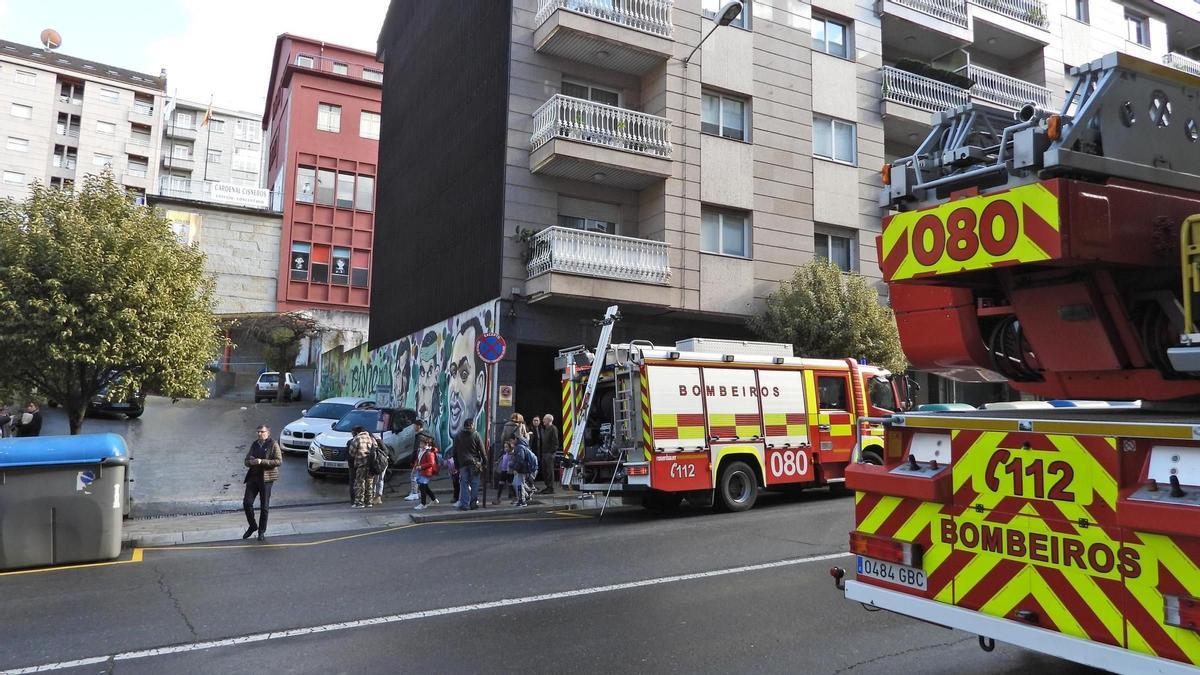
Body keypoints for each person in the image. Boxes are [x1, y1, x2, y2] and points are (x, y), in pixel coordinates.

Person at [243, 424, 282, 542]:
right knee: (247, 503)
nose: (259, 434)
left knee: (264, 506)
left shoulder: (273, 444)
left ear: (268, 433)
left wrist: (262, 461)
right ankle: (253, 526)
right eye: (258, 432)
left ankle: (261, 531)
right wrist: (251, 462)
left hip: (266, 479)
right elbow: (246, 461)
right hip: (253, 478)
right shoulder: (254, 444)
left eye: (262, 431)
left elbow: (279, 461)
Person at [453, 418, 486, 511]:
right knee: (475, 483)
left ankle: (464, 504)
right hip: (475, 463)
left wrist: (456, 465)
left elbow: (454, 452)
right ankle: (473, 503)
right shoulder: (476, 435)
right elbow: (482, 451)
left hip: (462, 463)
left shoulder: (458, 435)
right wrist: (485, 462)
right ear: (472, 425)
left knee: (464, 483)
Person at [348, 425, 376, 509]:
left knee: (360, 483)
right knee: (369, 482)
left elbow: (351, 452)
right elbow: (376, 448)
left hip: (361, 463)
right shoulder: (370, 437)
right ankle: (369, 502)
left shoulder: (357, 438)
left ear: (356, 432)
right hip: (371, 464)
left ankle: (360, 503)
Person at [413, 432, 440, 511]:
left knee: (422, 487)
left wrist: (420, 466)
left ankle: (423, 504)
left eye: (421, 443)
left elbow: (431, 463)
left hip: (426, 472)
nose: (420, 445)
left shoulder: (429, 452)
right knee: (425, 487)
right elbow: (418, 459)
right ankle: (434, 499)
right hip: (421, 471)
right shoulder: (421, 451)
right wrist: (416, 465)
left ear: (426, 444)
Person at [512, 434, 538, 507]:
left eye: (511, 440)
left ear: (515, 439)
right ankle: (527, 494)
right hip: (523, 469)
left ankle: (522, 501)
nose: (511, 442)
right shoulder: (521, 446)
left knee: (519, 485)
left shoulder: (519, 447)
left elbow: (520, 459)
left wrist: (516, 469)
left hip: (522, 469)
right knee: (517, 483)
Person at [404, 420, 426, 502]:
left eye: (414, 426)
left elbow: (416, 449)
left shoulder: (419, 436)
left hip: (419, 459)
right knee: (419, 476)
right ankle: (419, 492)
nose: (413, 427)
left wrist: (413, 460)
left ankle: (414, 493)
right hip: (423, 458)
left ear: (419, 426)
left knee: (413, 476)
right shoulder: (425, 434)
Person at [539, 414, 560, 494]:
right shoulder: (546, 429)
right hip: (545, 453)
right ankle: (547, 486)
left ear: (549, 420)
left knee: (549, 471)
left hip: (549, 454)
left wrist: (551, 452)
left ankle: (550, 488)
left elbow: (555, 443)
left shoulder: (553, 429)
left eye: (544, 419)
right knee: (545, 471)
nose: (543, 420)